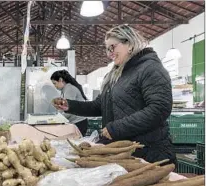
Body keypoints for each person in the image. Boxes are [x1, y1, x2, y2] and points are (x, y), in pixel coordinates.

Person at [52, 24, 176, 165]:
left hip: (150, 152)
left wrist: (117, 128)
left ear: (129, 44)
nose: (109, 53)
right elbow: (99, 106)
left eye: (112, 47)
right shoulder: (117, 74)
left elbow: (159, 108)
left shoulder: (150, 68)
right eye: (107, 49)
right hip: (125, 151)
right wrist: (70, 105)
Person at [50, 69, 88, 136]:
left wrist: (56, 120)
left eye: (55, 83)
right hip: (76, 122)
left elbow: (69, 109)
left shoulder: (69, 89)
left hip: (79, 123)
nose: (54, 86)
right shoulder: (65, 89)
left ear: (61, 80)